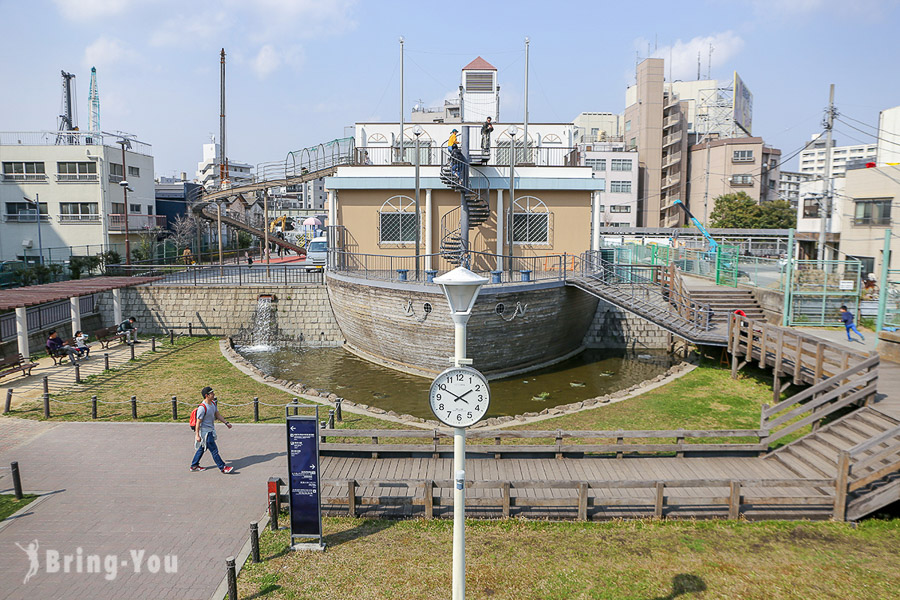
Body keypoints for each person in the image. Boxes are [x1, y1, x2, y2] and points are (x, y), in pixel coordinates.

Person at [190, 386, 234, 473]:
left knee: (202, 448)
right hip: (205, 433)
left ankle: (194, 466)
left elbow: (217, 415)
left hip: (210, 430)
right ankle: (223, 467)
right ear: (206, 395)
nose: (213, 394)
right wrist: (197, 435)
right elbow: (198, 423)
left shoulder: (213, 404)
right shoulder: (202, 408)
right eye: (211, 393)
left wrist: (226, 423)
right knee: (214, 450)